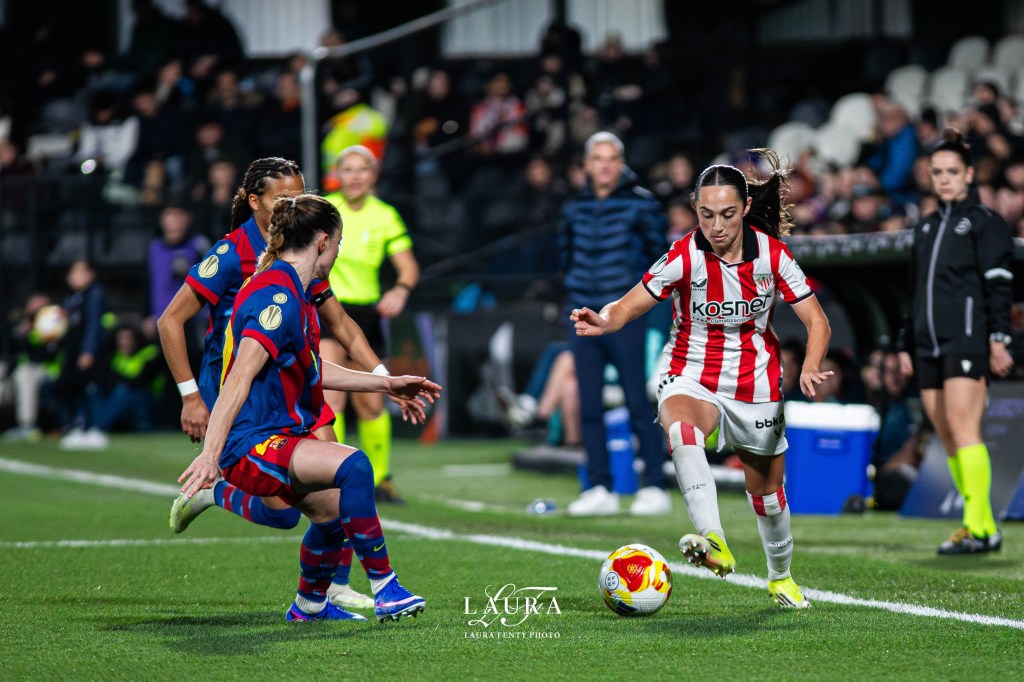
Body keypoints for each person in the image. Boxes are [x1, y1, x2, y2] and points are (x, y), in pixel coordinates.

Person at [571, 150, 834, 608]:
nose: (716, 226)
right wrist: (606, 320)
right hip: (690, 371)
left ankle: (781, 577)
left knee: (768, 495)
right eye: (706, 214)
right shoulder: (683, 256)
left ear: (746, 208)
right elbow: (629, 304)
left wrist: (810, 365)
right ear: (695, 208)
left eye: (727, 214)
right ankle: (714, 540)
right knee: (681, 429)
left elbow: (818, 321)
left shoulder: (773, 256)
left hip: (755, 382)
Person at [158, 157, 414, 611]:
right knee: (337, 478)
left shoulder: (300, 272)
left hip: (289, 396)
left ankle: (318, 598)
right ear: (255, 202)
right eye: (283, 198)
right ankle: (382, 586)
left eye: (298, 196)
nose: (291, 204)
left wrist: (384, 381)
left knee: (325, 505)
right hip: (250, 409)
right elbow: (204, 346)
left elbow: (325, 349)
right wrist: (193, 400)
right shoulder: (263, 277)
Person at [898, 128, 1015, 555]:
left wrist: (999, 338)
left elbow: (999, 284)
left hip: (966, 339)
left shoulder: (985, 222)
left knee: (965, 429)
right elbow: (914, 292)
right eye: (937, 172)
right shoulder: (927, 226)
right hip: (927, 344)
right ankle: (983, 528)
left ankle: (977, 527)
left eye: (951, 171)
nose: (944, 179)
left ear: (968, 174)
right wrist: (905, 344)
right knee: (946, 434)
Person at [559, 131, 669, 516]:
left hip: (626, 317)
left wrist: (636, 307)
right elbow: (565, 256)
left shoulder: (642, 204)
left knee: (637, 401)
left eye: (611, 158)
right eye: (598, 158)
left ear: (621, 163)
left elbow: (661, 261)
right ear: (587, 165)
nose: (605, 166)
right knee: (588, 404)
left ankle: (654, 485)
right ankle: (599, 487)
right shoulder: (573, 207)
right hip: (582, 315)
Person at [322, 145, 421, 504]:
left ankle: (381, 480)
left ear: (373, 175)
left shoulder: (385, 216)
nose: (354, 176)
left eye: (362, 169)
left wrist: (400, 290)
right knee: (331, 399)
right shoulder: (324, 210)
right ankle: (332, 477)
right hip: (326, 307)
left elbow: (408, 267)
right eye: (347, 169)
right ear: (337, 174)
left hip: (366, 315)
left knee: (372, 404)